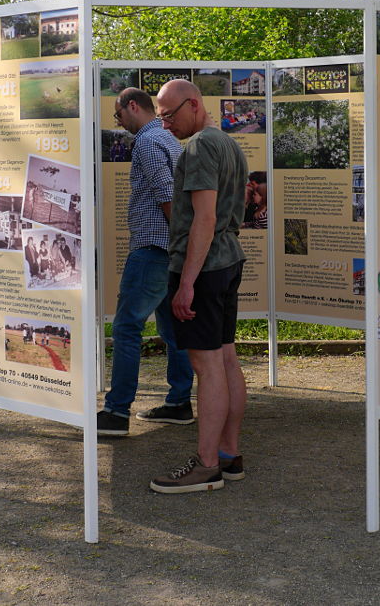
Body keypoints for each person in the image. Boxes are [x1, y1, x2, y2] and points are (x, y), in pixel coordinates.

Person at [149, 79, 248, 494]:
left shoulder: (199, 147)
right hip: (227, 261)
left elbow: (204, 219)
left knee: (207, 368)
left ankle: (207, 466)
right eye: (159, 117)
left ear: (193, 105)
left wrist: (186, 282)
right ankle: (229, 454)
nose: (165, 124)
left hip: (205, 270)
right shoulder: (228, 144)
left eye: (170, 115)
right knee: (225, 360)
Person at [97, 87, 194, 437]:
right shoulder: (169, 140)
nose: (118, 122)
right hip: (170, 252)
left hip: (153, 249)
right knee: (172, 331)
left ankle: (116, 412)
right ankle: (179, 403)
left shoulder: (149, 143)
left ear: (132, 106)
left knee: (126, 329)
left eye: (118, 115)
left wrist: (179, 242)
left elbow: (167, 196)